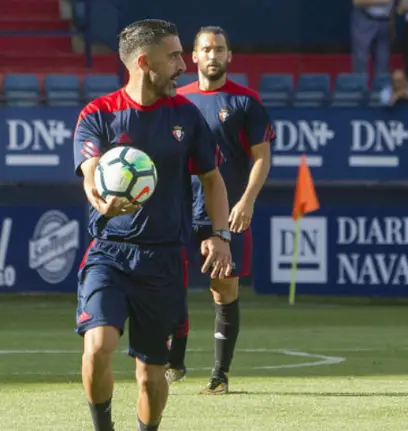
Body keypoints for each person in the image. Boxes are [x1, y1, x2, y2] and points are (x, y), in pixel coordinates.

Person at [73, 19, 233, 431]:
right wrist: (100, 200)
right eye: (174, 56)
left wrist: (220, 235)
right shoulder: (99, 114)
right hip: (109, 253)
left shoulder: (186, 116)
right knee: (98, 346)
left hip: (163, 260)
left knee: (150, 374)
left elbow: (212, 179)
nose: (183, 65)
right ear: (145, 62)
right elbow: (90, 172)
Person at [166, 26, 273, 395]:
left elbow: (262, 157)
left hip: (227, 215)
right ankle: (174, 362)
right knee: (168, 287)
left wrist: (247, 200)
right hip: (180, 213)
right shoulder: (176, 100)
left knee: (223, 291)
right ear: (194, 56)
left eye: (220, 49)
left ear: (229, 56)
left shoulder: (246, 101)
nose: (214, 56)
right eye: (207, 49)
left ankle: (219, 375)